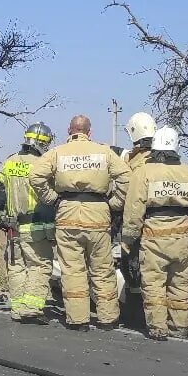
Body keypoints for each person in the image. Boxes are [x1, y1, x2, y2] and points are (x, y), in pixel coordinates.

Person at [29, 115, 129, 332]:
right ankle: (108, 319)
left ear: (69, 130)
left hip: (67, 213)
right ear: (89, 132)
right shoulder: (103, 152)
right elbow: (126, 177)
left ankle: (78, 320)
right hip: (98, 214)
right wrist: (115, 203)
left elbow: (35, 175)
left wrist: (52, 198)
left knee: (73, 270)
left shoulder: (57, 152)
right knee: (102, 269)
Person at [122, 125, 188, 341]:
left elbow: (134, 208)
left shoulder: (143, 173)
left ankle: (158, 328)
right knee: (180, 284)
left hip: (154, 236)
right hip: (183, 238)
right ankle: (179, 327)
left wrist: (129, 238)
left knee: (153, 283)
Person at [0, 122, 55, 324]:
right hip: (35, 226)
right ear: (43, 142)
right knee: (39, 265)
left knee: (17, 266)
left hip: (12, 227)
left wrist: (2, 219)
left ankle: (18, 308)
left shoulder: (9, 162)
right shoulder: (43, 164)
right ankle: (32, 307)